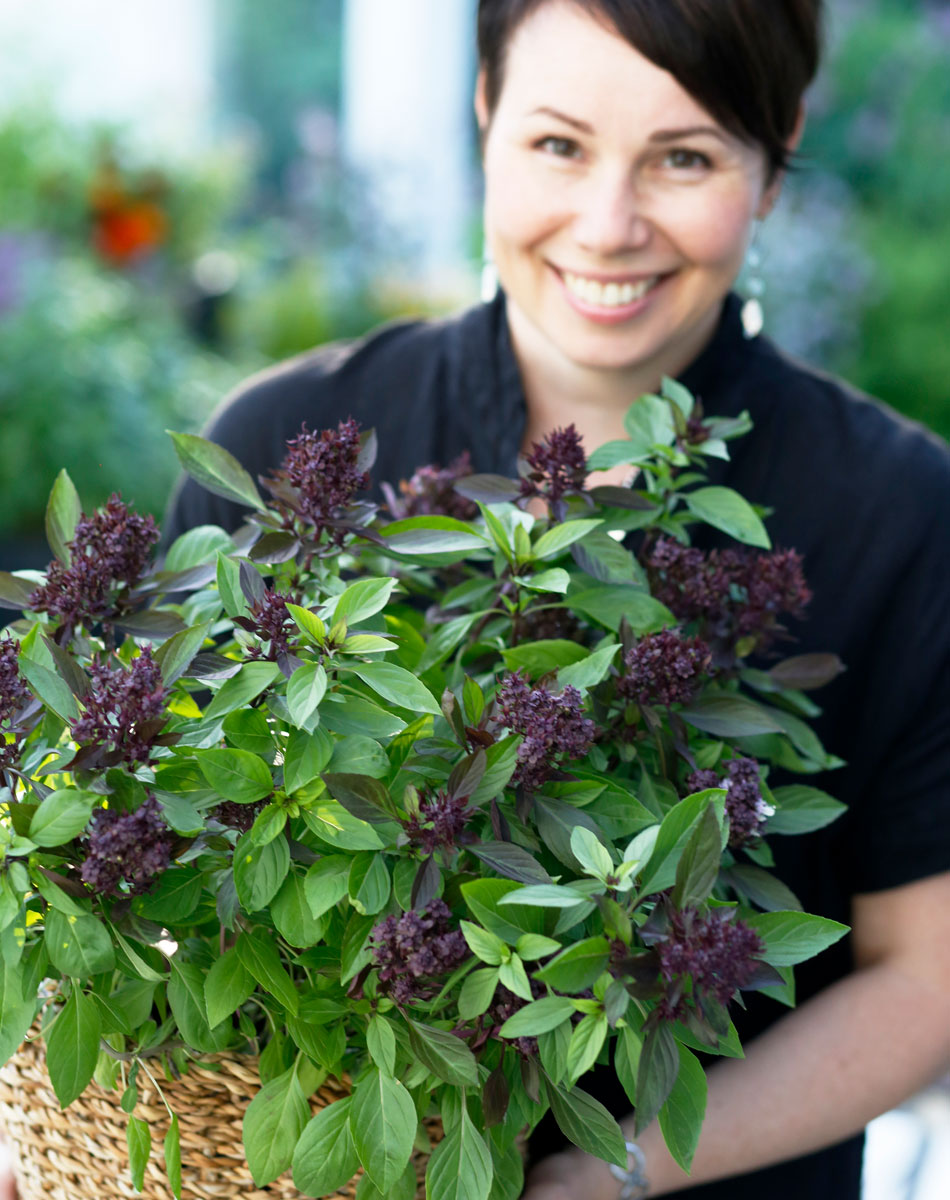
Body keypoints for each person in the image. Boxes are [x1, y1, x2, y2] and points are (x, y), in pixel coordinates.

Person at [164, 2, 950, 1198]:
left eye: (683, 157)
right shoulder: (279, 444)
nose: (607, 226)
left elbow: (923, 978)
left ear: (775, 155)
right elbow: (159, 873)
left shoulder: (896, 511)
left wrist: (596, 1175)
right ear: (483, 116)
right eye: (556, 144)